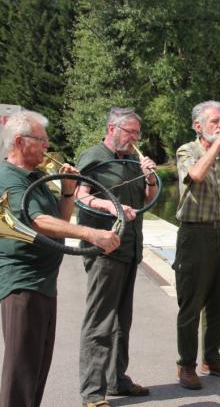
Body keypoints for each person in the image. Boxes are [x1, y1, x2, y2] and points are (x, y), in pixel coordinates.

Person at [0, 110, 121, 407]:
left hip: (43, 282)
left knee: (37, 366)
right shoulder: (7, 178)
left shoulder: (35, 176)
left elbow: (57, 219)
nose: (47, 146)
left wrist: (66, 192)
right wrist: (91, 234)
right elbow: (34, 220)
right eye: (41, 140)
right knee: (21, 367)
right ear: (21, 142)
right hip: (22, 282)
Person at [74, 107, 158, 406]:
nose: (135, 138)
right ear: (112, 128)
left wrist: (149, 177)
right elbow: (80, 196)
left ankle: (116, 380)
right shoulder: (94, 156)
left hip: (130, 249)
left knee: (123, 320)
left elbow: (148, 199)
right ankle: (92, 393)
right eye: (130, 132)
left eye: (137, 133)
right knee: (100, 321)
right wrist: (111, 206)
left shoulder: (133, 160)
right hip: (104, 250)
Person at [172, 100, 220, 390]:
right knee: (191, 303)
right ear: (198, 126)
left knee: (219, 301)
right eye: (214, 121)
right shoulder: (187, 151)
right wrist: (217, 145)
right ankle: (186, 365)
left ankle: (212, 357)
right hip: (195, 235)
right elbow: (196, 176)